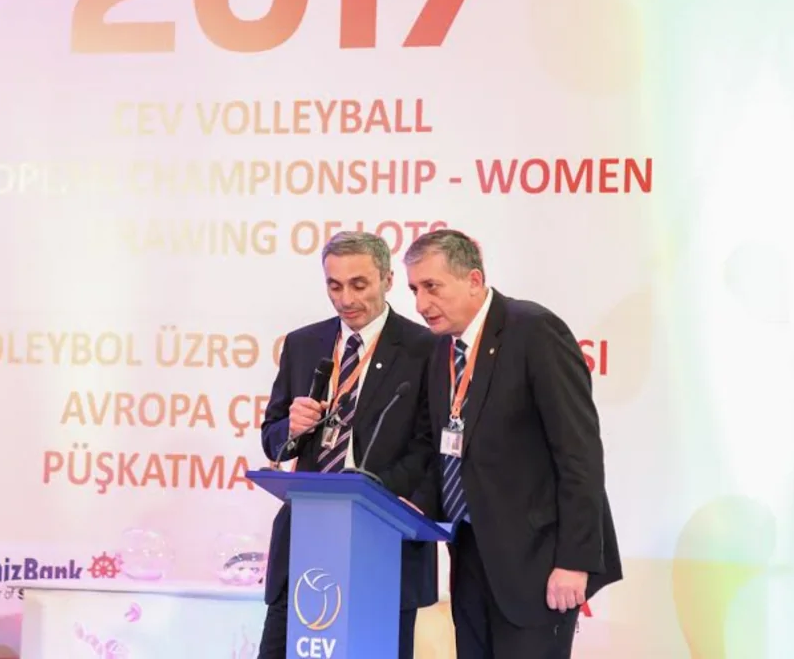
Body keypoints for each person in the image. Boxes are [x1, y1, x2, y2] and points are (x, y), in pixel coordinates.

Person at [401, 228, 622, 659]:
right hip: (471, 555)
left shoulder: (534, 331)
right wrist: (416, 505)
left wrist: (575, 561)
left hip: (538, 563)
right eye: (414, 290)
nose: (421, 304)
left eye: (432, 287)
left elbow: (578, 452)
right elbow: (447, 449)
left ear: (473, 280)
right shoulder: (442, 350)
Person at [258, 231, 439, 659]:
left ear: (387, 280)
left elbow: (431, 447)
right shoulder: (303, 344)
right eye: (334, 286)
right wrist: (291, 428)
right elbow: (272, 438)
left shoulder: (426, 348)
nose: (346, 299)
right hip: (305, 544)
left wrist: (366, 493)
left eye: (359, 285)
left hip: (385, 542)